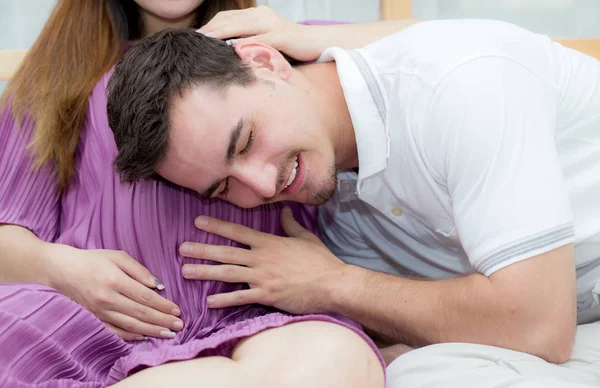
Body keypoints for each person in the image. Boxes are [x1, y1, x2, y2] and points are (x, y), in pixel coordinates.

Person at [107, 7, 600, 387]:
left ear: (265, 62)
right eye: (223, 187)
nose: (260, 187)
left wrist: (335, 283)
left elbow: (539, 328)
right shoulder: (325, 192)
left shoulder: (461, 87)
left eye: (246, 141)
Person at [0, 2, 388, 387]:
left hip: (257, 323)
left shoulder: (281, 50)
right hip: (82, 323)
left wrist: (305, 35)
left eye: (246, 141)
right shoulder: (56, 79)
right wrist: (60, 269)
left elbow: (430, 48)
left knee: (332, 359)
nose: (260, 182)